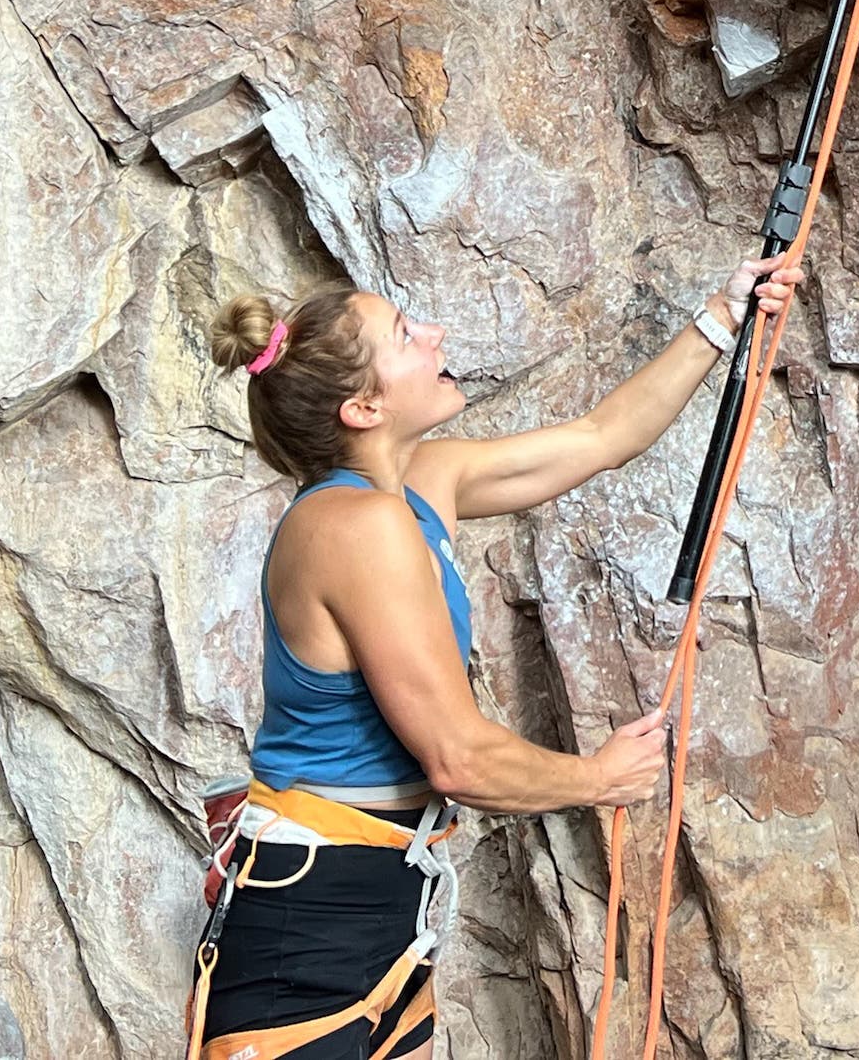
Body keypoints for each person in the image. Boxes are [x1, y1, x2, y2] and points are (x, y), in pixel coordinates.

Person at [183, 255, 797, 1060]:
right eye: (405, 333)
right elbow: (459, 760)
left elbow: (602, 437)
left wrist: (721, 316)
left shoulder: (422, 481)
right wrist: (598, 779)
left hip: (379, 912)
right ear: (364, 406)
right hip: (310, 926)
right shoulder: (351, 530)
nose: (432, 332)